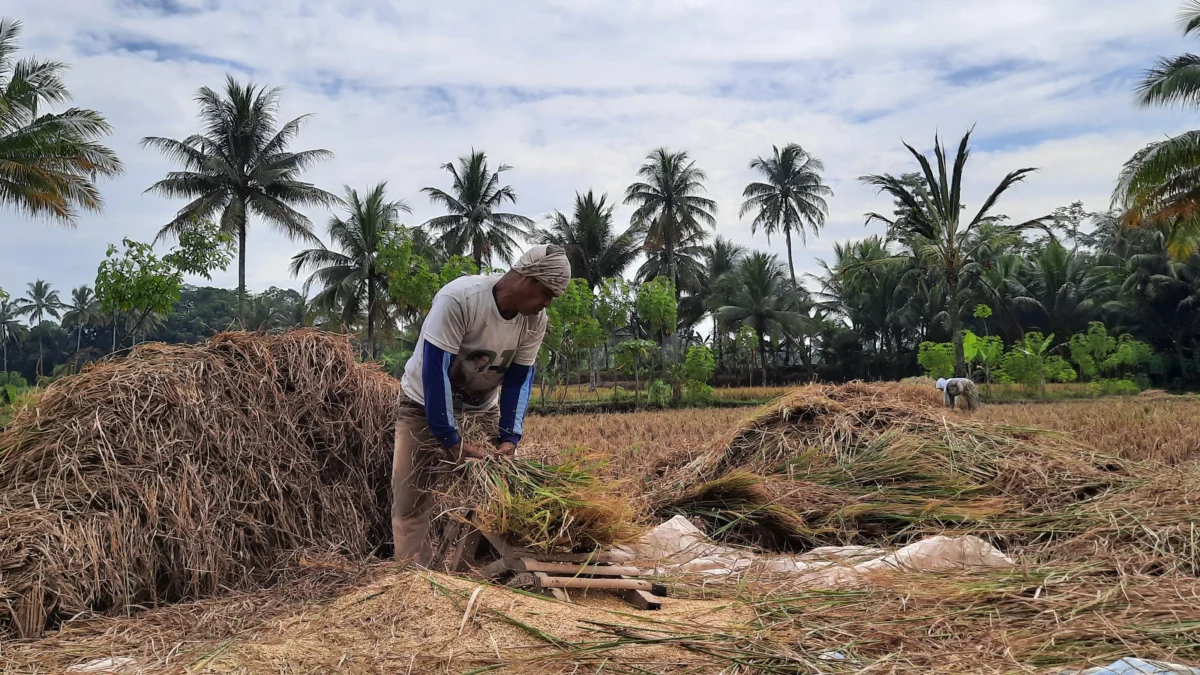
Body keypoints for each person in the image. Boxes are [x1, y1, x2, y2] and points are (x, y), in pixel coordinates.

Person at [392, 244, 570, 566]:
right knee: (412, 498)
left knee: (499, 494)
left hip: (480, 408)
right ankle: (414, 579)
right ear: (526, 278)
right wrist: (450, 439)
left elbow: (518, 378)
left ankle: (486, 571)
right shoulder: (460, 299)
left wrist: (509, 438)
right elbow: (435, 370)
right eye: (546, 294)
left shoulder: (534, 321)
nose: (546, 304)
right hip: (423, 403)